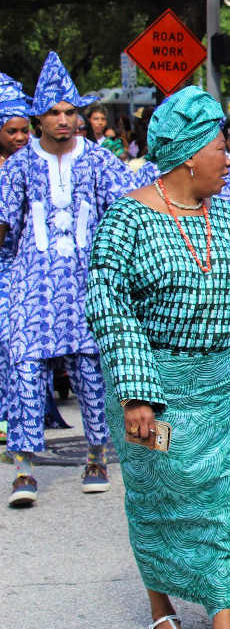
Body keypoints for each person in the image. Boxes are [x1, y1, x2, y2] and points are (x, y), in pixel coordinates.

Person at [85, 86, 230, 629]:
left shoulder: (226, 220)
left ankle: (223, 622)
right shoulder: (127, 220)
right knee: (163, 498)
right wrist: (135, 396)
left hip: (223, 390)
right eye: (221, 148)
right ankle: (161, 605)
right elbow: (110, 309)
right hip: (159, 396)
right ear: (186, 157)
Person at [0, 52, 132, 507]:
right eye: (54, 113)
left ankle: (96, 458)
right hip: (31, 283)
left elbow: (125, 212)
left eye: (70, 112)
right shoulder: (18, 166)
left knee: (92, 372)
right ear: (37, 118)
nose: (63, 120)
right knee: (23, 369)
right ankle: (23, 469)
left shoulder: (98, 160)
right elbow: (4, 227)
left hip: (85, 285)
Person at [0, 74, 31, 446]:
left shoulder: (33, 166)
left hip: (20, 268)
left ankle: (12, 419)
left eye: (25, 131)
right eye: (12, 132)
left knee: (13, 343)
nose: (21, 138)